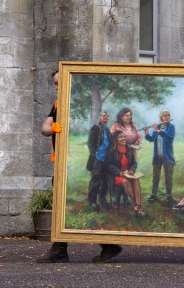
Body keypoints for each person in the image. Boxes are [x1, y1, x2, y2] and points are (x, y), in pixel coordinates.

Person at [36, 70, 123, 264]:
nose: (56, 87)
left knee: (72, 203)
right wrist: (52, 129)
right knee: (63, 204)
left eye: (59, 83)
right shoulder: (58, 104)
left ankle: (105, 245)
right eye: (55, 84)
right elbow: (44, 127)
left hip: (76, 163)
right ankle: (67, 247)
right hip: (61, 163)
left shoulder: (77, 104)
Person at [106, 131, 146, 217]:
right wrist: (119, 172)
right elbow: (109, 165)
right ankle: (137, 205)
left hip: (128, 174)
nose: (123, 139)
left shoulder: (129, 150)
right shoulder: (112, 151)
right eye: (120, 137)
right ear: (116, 139)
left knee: (135, 180)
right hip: (116, 175)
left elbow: (134, 163)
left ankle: (138, 205)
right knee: (125, 182)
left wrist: (132, 170)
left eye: (124, 137)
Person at [143, 109, 176, 203]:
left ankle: (169, 195)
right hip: (157, 156)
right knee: (155, 176)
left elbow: (168, 135)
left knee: (168, 176)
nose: (167, 117)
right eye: (165, 116)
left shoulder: (171, 127)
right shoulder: (158, 126)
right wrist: (146, 133)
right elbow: (152, 139)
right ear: (161, 118)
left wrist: (157, 130)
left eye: (168, 116)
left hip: (167, 156)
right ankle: (153, 194)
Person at [87, 111, 112, 210]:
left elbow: (109, 144)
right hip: (98, 159)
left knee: (105, 180)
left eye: (107, 115)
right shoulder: (96, 128)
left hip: (106, 159)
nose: (105, 117)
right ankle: (92, 201)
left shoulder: (107, 130)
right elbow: (90, 144)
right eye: (103, 115)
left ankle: (102, 199)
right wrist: (96, 155)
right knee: (96, 180)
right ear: (100, 117)